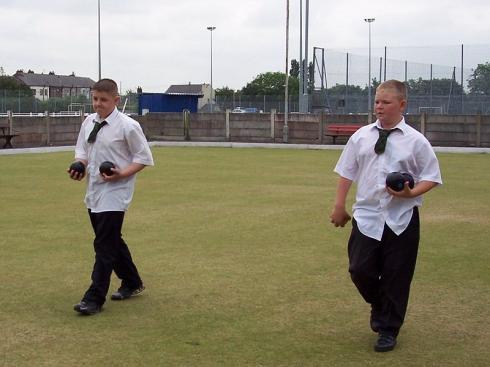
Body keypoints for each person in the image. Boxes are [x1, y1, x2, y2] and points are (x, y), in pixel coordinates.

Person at [330, 80, 442, 352]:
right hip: (366, 216)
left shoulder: (416, 141)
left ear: (402, 104)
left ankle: (388, 330)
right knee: (359, 269)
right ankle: (379, 305)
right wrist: (339, 205)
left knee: (397, 276)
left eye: (386, 102)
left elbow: (432, 177)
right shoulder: (361, 136)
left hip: (401, 219)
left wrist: (410, 193)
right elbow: (347, 171)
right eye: (377, 101)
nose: (379, 106)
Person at [68, 78, 154, 315]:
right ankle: (132, 281)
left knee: (103, 245)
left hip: (116, 192)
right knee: (111, 239)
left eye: (103, 100)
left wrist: (120, 175)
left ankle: (94, 298)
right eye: (95, 99)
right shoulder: (88, 122)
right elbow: (83, 151)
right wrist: (79, 165)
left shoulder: (128, 126)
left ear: (116, 100)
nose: (98, 104)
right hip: (94, 190)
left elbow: (143, 158)